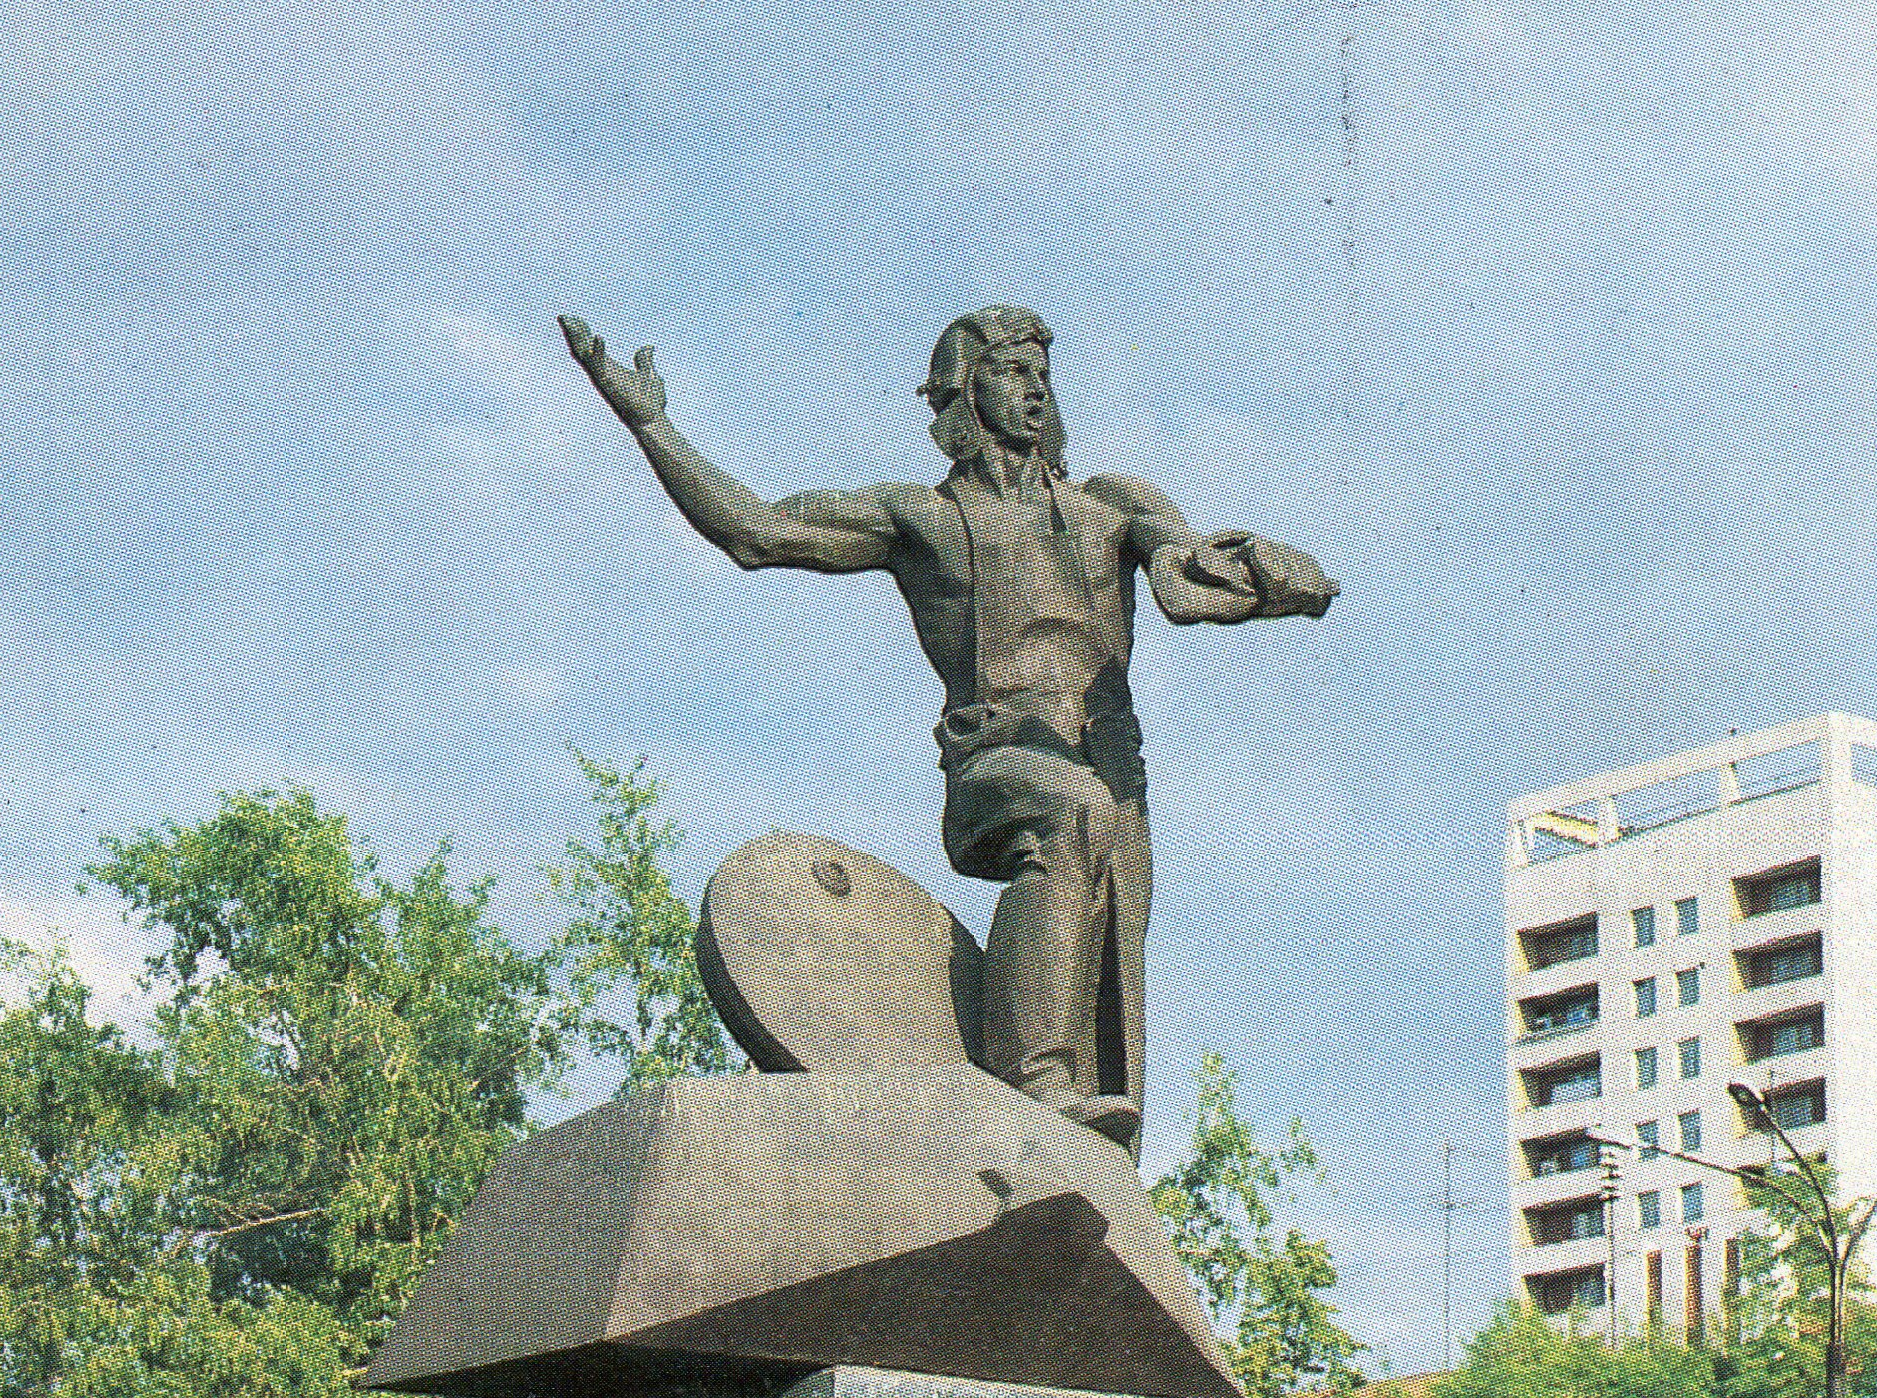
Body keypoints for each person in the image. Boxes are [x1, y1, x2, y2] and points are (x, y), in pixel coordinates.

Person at [560, 304, 1336, 1158]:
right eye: (1010, 369)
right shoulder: (921, 519)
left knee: (1111, 1017)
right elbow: (757, 532)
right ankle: (1031, 1084)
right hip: (1000, 763)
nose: (1035, 386)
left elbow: (1186, 583)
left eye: (1043, 371)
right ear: (963, 392)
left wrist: (1258, 570)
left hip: (1113, 774)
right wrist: (652, 425)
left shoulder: (1110, 507)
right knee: (1070, 816)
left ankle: (1073, 1180)